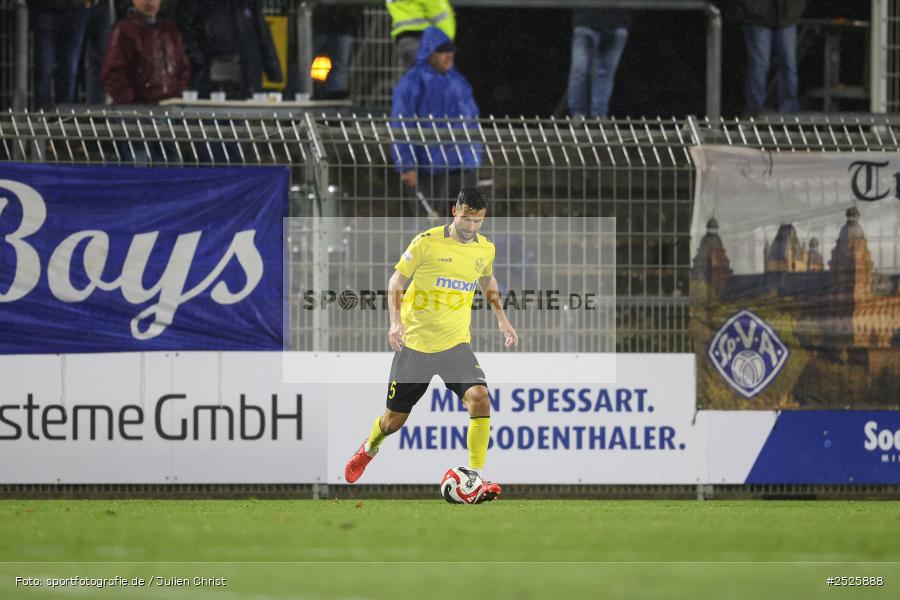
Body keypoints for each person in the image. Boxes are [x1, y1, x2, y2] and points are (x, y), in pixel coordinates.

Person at [344, 187, 518, 502]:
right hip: (415, 346)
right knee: (392, 422)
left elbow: (487, 280)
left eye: (477, 221)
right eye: (466, 219)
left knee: (480, 398)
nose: (471, 227)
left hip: (455, 346)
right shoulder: (427, 242)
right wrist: (395, 322)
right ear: (455, 211)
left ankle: (475, 477)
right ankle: (369, 447)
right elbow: (396, 281)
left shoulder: (485, 249)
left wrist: (501, 318)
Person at [390, 26, 481, 218]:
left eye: (450, 51)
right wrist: (407, 165)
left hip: (462, 168)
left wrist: (474, 156)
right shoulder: (412, 82)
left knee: (463, 233)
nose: (448, 55)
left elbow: (472, 121)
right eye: (442, 51)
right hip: (430, 170)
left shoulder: (458, 80)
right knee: (430, 233)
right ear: (428, 52)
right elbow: (401, 124)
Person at [175, 0, 282, 99]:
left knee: (239, 114)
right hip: (211, 75)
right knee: (211, 114)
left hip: (244, 76)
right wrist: (199, 61)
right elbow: (184, 33)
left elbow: (262, 33)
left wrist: (274, 72)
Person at [101, 0, 189, 104]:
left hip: (168, 107)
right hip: (137, 112)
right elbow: (112, 74)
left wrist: (176, 96)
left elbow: (183, 68)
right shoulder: (124, 31)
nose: (149, 2)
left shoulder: (171, 32)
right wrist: (132, 103)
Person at [731, 0, 806, 114]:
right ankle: (755, 109)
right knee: (759, 65)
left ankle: (789, 108)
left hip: (786, 16)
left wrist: (795, 9)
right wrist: (751, 8)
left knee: (788, 64)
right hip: (757, 17)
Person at [566, 8, 631, 119]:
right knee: (579, 71)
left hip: (616, 22)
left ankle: (599, 115)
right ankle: (578, 114)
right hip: (587, 20)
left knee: (603, 74)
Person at [27, 0, 92, 108]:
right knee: (46, 68)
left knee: (67, 69)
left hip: (75, 10)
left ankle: (61, 116)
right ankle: (44, 117)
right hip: (46, 9)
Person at [386, 0, 455, 71]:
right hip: (425, 38)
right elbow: (436, 10)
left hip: (404, 37)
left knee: (415, 76)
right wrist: (446, 39)